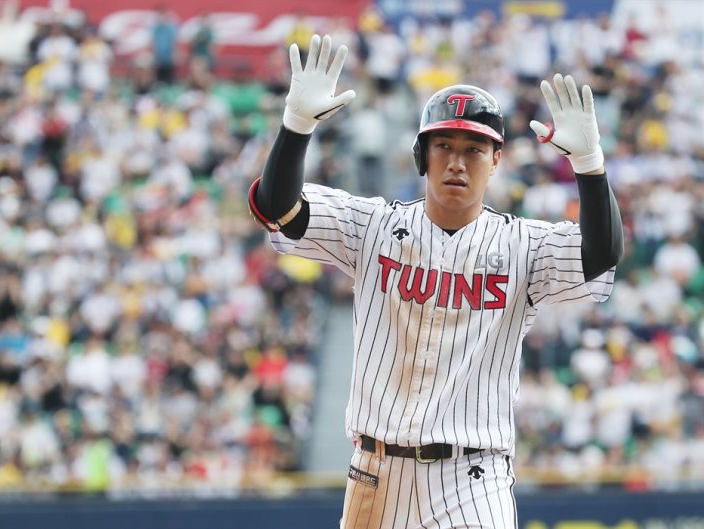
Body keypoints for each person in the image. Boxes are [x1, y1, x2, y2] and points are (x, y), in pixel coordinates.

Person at [248, 34, 623, 528]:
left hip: (473, 474)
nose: (457, 161)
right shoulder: (374, 227)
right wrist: (295, 126)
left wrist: (590, 166)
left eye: (474, 148)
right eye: (443, 145)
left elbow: (600, 254)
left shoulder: (521, 246)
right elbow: (277, 207)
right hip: (374, 474)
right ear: (421, 155)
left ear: (495, 161)